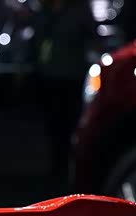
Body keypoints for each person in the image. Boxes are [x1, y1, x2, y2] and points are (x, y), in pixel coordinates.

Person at [34, 0, 96, 181]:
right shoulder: (45, 10)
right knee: (53, 123)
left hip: (71, 75)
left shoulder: (78, 10)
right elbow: (38, 38)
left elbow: (90, 37)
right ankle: (58, 164)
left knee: (70, 123)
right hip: (49, 74)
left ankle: (71, 166)